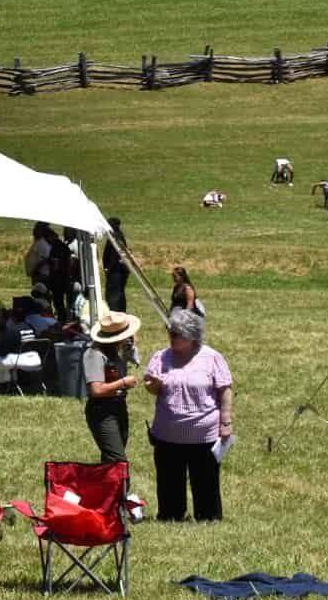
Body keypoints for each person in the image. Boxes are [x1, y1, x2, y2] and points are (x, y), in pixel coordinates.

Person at [143, 307, 233, 522]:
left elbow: (225, 390)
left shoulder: (211, 358)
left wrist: (226, 422)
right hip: (167, 434)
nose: (172, 338)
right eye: (170, 333)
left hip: (204, 434)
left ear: (192, 336)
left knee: (205, 479)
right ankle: (171, 515)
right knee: (168, 480)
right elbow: (150, 387)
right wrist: (154, 385)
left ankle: (208, 517)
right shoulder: (161, 357)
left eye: (177, 334)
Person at [82, 311, 142, 463]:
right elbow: (96, 390)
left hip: (118, 406)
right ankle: (121, 487)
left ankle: (108, 486)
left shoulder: (116, 351)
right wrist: (123, 383)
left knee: (112, 458)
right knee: (117, 459)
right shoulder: (94, 355)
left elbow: (134, 355)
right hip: (102, 411)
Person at [102, 218, 130, 313]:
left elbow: (114, 255)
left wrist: (108, 268)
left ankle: (115, 312)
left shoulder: (116, 237)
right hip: (117, 271)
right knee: (118, 293)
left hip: (116, 272)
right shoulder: (117, 236)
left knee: (114, 295)